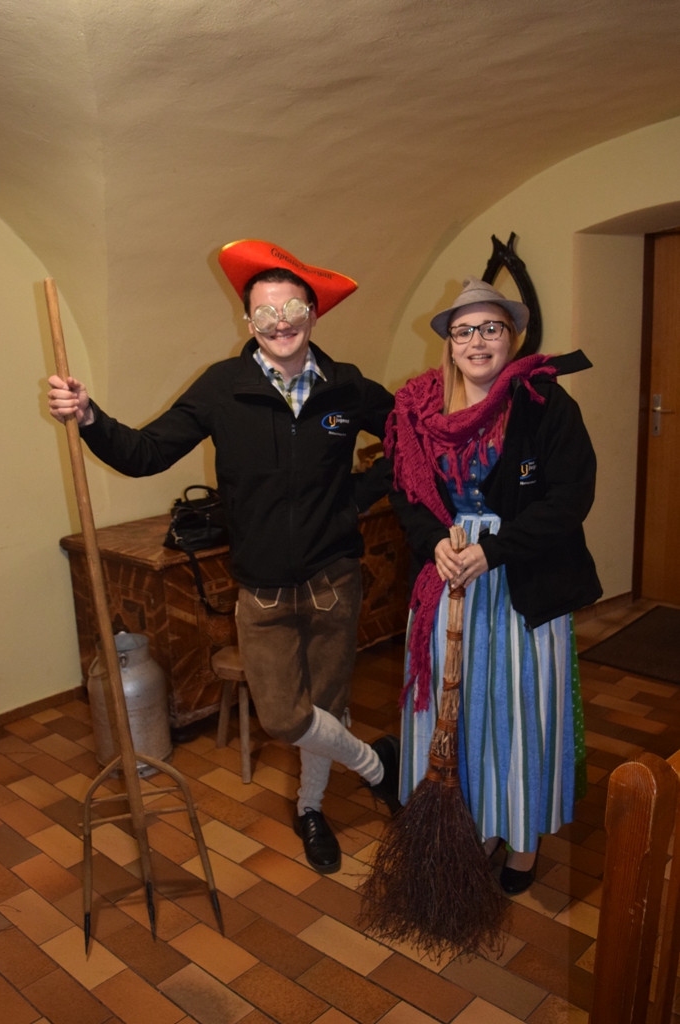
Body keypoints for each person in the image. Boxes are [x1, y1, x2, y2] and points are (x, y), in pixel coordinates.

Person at [48, 239, 400, 875]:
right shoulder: (223, 388)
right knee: (284, 716)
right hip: (262, 590)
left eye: (291, 309)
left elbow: (409, 435)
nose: (280, 323)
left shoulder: (347, 385)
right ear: (248, 321)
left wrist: (357, 495)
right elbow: (146, 453)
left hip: (334, 579)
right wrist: (91, 416)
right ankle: (378, 767)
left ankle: (311, 807)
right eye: (265, 313)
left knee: (328, 705)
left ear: (313, 313)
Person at [386, 276, 601, 894]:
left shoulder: (543, 402)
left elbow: (570, 497)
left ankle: (523, 839)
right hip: (448, 579)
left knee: (519, 712)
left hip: (523, 582)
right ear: (449, 344)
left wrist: (494, 551)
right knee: (460, 714)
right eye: (464, 331)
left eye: (491, 329)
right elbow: (406, 492)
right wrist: (434, 541)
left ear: (512, 338)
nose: (477, 342)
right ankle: (477, 824)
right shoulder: (422, 410)